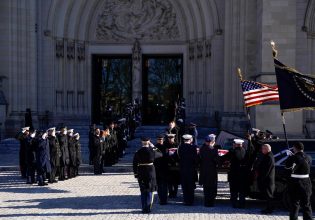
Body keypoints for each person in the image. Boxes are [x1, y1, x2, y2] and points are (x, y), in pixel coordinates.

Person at [133, 137, 162, 213]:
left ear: (142, 142)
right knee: (150, 190)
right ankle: (148, 208)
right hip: (150, 172)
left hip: (141, 172)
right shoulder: (152, 151)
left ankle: (143, 208)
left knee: (143, 190)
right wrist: (153, 146)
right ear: (149, 142)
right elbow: (160, 154)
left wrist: (136, 174)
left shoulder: (138, 152)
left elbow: (134, 164)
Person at [285, 142, 313, 220]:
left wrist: (289, 157)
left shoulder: (294, 157)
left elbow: (287, 167)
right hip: (306, 183)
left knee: (294, 205)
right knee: (306, 205)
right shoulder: (308, 157)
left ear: (295, 148)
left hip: (295, 183)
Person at [223, 139, 247, 208]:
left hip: (234, 173)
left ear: (236, 144)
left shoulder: (232, 151)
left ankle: (234, 203)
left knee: (234, 189)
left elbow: (224, 158)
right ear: (241, 144)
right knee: (241, 189)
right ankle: (242, 204)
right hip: (242, 173)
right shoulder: (245, 151)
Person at [199, 134, 219, 207]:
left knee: (206, 188)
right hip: (212, 172)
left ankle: (206, 203)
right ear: (211, 142)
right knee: (212, 188)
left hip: (204, 171)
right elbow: (217, 161)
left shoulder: (202, 149)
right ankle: (211, 203)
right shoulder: (214, 150)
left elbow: (200, 159)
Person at [178, 134, 198, 206]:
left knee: (184, 186)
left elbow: (178, 157)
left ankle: (186, 201)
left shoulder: (180, 147)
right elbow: (195, 159)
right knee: (190, 186)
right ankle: (191, 201)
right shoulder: (193, 147)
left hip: (183, 169)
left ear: (184, 140)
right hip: (191, 170)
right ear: (190, 140)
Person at [256, 144, 275, 214]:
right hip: (268, 179)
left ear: (267, 149)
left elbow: (267, 170)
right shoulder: (268, 155)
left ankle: (269, 209)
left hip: (268, 179)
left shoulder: (269, 157)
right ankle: (269, 207)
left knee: (269, 195)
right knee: (268, 195)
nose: (262, 150)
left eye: (263, 149)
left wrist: (262, 178)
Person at [154, 134, 169, 205]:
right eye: (159, 139)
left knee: (165, 185)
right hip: (157, 168)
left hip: (165, 168)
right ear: (157, 140)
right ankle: (161, 199)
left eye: (161, 139)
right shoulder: (154, 147)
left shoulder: (166, 147)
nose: (160, 141)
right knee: (159, 185)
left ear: (163, 140)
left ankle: (165, 199)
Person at [165, 133, 180, 198]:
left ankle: (175, 193)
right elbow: (165, 155)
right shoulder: (165, 145)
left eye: (172, 138)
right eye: (169, 138)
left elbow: (179, 155)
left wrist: (177, 162)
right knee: (169, 180)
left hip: (176, 165)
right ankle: (170, 193)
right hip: (168, 165)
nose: (170, 139)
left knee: (176, 180)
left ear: (174, 138)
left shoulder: (177, 144)